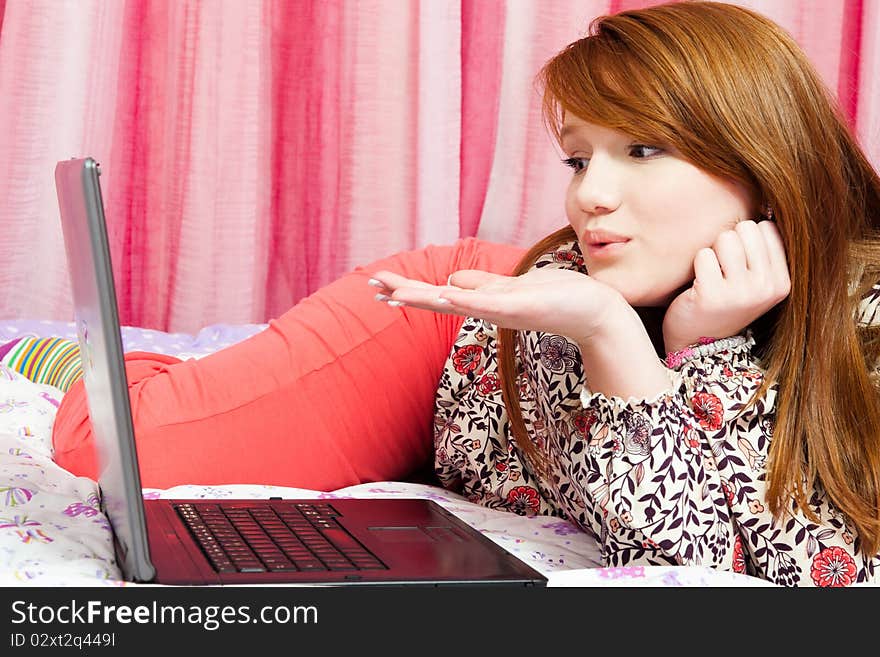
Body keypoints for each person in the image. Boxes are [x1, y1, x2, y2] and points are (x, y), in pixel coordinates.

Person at [16, 0, 878, 586]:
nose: (589, 197)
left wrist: (678, 344)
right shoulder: (562, 296)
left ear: (764, 166)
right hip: (440, 338)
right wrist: (624, 327)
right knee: (108, 436)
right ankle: (86, 357)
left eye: (643, 151)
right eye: (580, 158)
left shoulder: (862, 323)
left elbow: (719, 561)